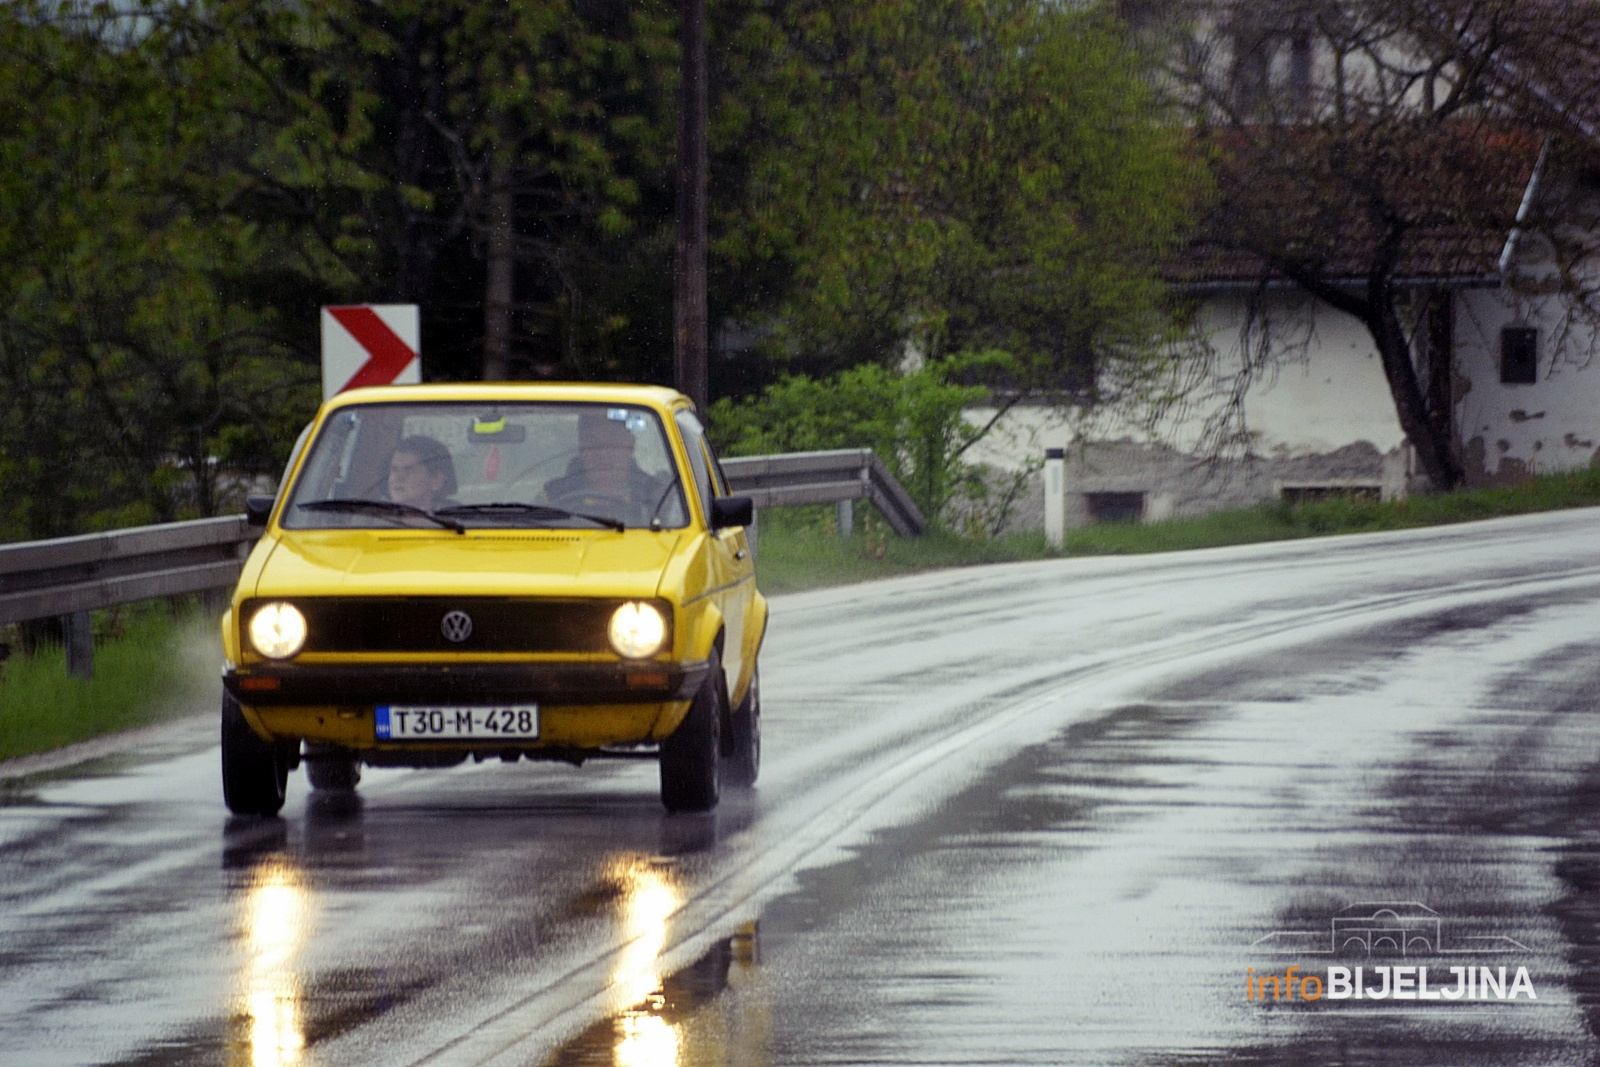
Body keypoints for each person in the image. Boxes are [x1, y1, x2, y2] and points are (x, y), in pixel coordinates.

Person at [540, 410, 671, 523]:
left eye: (612, 441)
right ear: (580, 447)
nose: (602, 453)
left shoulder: (660, 499)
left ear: (630, 445)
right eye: (592, 442)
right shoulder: (551, 498)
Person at [387, 436, 458, 511]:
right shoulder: (375, 518)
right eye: (394, 469)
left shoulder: (459, 520)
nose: (398, 478)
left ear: (436, 480)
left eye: (409, 470)